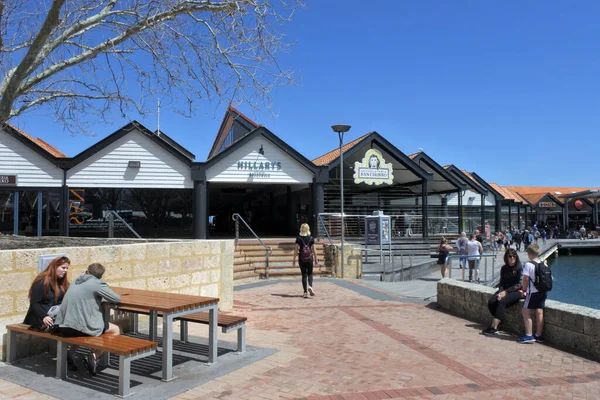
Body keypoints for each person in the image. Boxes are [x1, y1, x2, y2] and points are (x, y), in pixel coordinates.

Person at [54, 263, 121, 375]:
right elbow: (116, 299)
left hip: (63, 326)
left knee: (81, 328)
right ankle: (95, 356)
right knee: (115, 330)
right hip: (78, 327)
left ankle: (71, 352)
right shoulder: (97, 283)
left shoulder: (75, 281)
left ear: (87, 271)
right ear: (100, 276)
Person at [482, 249, 524, 335]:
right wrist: (500, 293)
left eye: (514, 256)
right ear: (506, 258)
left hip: (518, 291)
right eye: (510, 256)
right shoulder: (504, 268)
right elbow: (502, 283)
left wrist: (506, 292)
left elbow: (519, 284)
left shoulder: (519, 267)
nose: (512, 258)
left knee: (502, 302)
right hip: (505, 290)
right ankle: (499, 322)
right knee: (492, 302)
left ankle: (494, 327)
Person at [24, 256, 71, 330]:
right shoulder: (42, 281)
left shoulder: (62, 282)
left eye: (67, 268)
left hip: (55, 316)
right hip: (41, 317)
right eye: (63, 268)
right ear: (55, 267)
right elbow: (34, 303)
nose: (65, 271)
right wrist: (44, 316)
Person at [517, 244, 547, 343]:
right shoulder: (544, 264)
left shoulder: (528, 264)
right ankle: (539, 335)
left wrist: (524, 289)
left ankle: (529, 335)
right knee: (539, 312)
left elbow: (525, 279)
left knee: (525, 311)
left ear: (529, 254)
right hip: (542, 292)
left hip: (532, 292)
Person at [293, 223, 319, 298]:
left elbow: (295, 250)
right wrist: (316, 260)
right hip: (310, 258)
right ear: (308, 229)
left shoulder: (298, 238)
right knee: (310, 273)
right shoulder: (311, 238)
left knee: (304, 275)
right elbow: (314, 250)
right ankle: (310, 286)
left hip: (301, 258)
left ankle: (305, 292)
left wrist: (294, 259)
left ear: (301, 229)